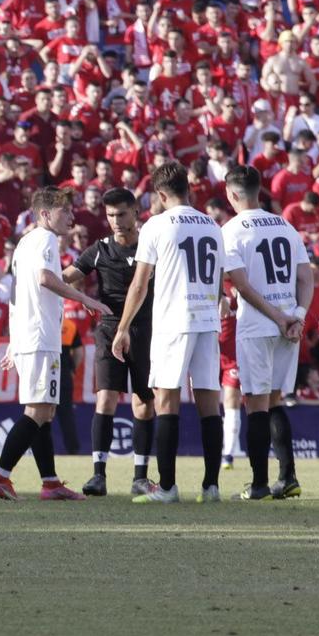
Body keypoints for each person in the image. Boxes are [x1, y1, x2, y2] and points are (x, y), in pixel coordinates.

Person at [0, 188, 108, 501]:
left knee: (45, 410)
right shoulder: (45, 239)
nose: (71, 216)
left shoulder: (25, 242)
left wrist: (14, 341)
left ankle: (50, 482)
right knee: (39, 410)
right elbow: (45, 279)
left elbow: (17, 294)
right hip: (41, 336)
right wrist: (85, 298)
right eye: (64, 211)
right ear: (44, 214)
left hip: (29, 335)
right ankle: (0, 476)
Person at [114, 164, 227, 503]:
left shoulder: (157, 225)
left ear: (161, 195)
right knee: (209, 402)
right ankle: (211, 487)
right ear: (187, 189)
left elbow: (139, 283)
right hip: (207, 319)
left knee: (166, 400)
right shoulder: (212, 225)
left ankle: (167, 487)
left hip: (174, 321)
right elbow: (220, 280)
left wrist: (122, 328)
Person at [220, 165, 314, 500]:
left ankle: (259, 484)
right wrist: (297, 317)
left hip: (261, 325)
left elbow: (242, 287)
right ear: (259, 190)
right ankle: (287, 477)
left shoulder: (231, 231)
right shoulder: (286, 226)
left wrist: (277, 318)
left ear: (231, 194)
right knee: (275, 401)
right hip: (289, 325)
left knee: (256, 404)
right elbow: (306, 278)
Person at [65, 187, 156, 496]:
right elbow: (66, 277)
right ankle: (98, 475)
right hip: (109, 329)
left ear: (135, 213)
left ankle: (140, 477)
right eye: (111, 215)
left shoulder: (149, 245)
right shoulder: (100, 249)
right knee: (106, 398)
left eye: (121, 214)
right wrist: (39, 271)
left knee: (143, 402)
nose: (116, 221)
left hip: (145, 330)